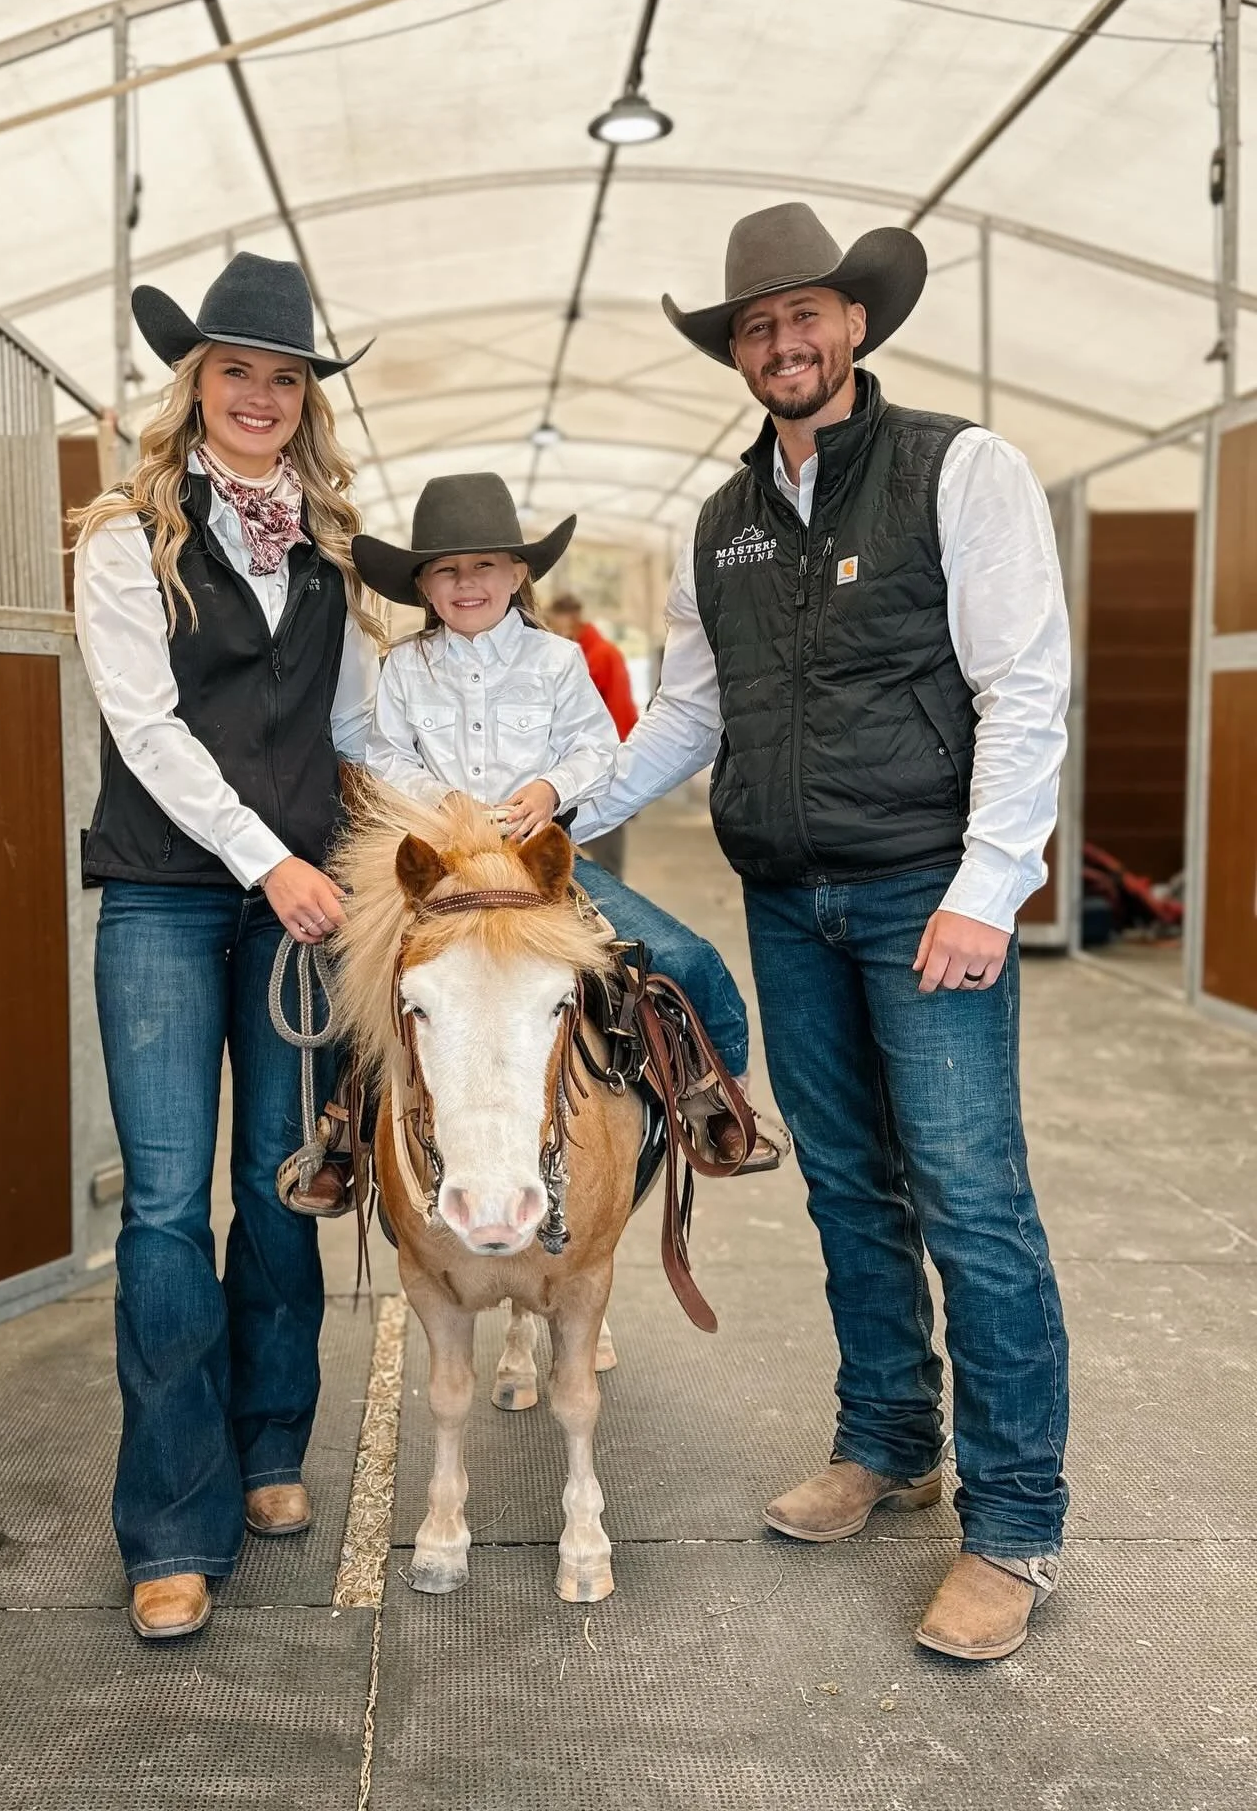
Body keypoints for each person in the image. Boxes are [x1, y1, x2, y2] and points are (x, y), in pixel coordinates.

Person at [572, 203, 1070, 1662]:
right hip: (792, 898)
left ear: (854, 325)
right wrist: (568, 798)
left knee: (975, 1203)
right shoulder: (719, 525)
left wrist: (990, 888)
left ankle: (1017, 1526)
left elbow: (1025, 685)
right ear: (737, 352)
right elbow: (689, 711)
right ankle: (887, 1441)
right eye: (754, 326)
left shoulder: (958, 471)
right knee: (849, 1187)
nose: (783, 343)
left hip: (928, 892)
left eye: (805, 317)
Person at [72, 253, 381, 1641]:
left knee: (278, 1185)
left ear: (304, 400)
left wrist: (440, 836)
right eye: (236, 369)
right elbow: (147, 728)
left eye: (284, 376)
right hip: (165, 892)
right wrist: (271, 861)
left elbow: (357, 734)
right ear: (195, 381)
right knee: (160, 1208)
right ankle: (171, 1518)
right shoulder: (124, 535)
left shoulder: (328, 550)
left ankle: (269, 1446)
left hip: (297, 902)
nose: (260, 395)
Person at [350, 472, 778, 1171]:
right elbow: (385, 755)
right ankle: (344, 1123)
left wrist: (552, 787)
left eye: (485, 565)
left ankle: (719, 1099)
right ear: (422, 587)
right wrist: (442, 800)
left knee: (685, 956)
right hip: (442, 874)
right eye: (446, 570)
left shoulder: (557, 660)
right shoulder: (404, 668)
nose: (467, 583)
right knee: (354, 973)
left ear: (518, 572)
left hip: (535, 871)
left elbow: (595, 743)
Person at [546, 590, 637, 877]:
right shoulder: (562, 651)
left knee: (607, 861)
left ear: (571, 617)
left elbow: (621, 713)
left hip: (604, 765)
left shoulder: (604, 655)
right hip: (567, 774)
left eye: (554, 620)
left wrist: (620, 771)